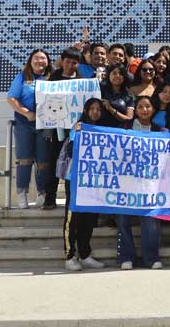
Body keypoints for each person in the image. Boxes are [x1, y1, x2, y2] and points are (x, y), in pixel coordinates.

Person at [59, 98, 106, 271]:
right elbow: (71, 149)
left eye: (98, 109)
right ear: (86, 111)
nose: (95, 112)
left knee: (88, 219)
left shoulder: (102, 130)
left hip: (92, 181)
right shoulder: (78, 127)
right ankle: (70, 256)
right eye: (92, 109)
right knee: (73, 219)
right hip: (76, 179)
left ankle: (85, 254)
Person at [117, 96, 163, 269]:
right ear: (135, 110)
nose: (144, 110)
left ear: (153, 110)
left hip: (149, 184)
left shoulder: (160, 131)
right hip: (125, 182)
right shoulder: (124, 128)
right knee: (122, 219)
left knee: (150, 219)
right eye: (141, 107)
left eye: (148, 106)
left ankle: (151, 258)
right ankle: (126, 257)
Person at [6, 49, 52, 209]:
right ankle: (22, 193)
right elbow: (11, 98)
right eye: (37, 58)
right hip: (25, 124)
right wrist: (27, 113)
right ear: (30, 61)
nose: (40, 61)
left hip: (45, 125)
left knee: (43, 161)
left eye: (43, 59)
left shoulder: (51, 78)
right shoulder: (22, 78)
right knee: (25, 160)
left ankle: (41, 192)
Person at [42, 47, 85, 210]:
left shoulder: (82, 80)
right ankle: (50, 197)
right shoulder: (53, 79)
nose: (70, 65)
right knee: (53, 162)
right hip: (57, 129)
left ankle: (72, 198)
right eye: (67, 61)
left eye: (74, 63)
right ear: (62, 61)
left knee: (74, 164)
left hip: (76, 130)